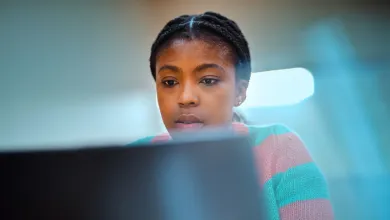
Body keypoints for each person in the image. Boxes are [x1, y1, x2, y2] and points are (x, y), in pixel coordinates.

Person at [130, 11, 334, 219]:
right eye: (169, 82)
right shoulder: (133, 160)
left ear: (239, 92)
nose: (185, 98)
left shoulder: (279, 149)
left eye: (208, 80)